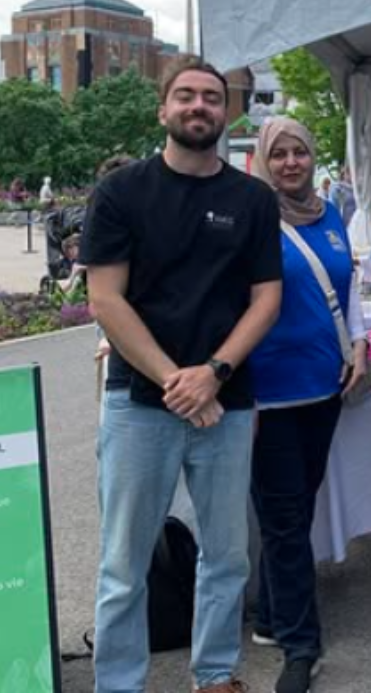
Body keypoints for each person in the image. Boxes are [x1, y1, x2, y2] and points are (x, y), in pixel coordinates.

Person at [81, 57, 283, 693]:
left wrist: (215, 373)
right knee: (124, 562)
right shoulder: (120, 194)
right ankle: (119, 682)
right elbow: (106, 300)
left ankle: (216, 673)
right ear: (163, 109)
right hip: (141, 404)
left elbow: (266, 298)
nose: (200, 107)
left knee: (225, 557)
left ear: (226, 113)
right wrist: (179, 380)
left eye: (212, 98)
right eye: (187, 96)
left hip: (227, 402)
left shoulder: (252, 199)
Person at [248, 118, 370, 693]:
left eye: (299, 152)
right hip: (265, 394)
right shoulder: (250, 218)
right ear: (264, 162)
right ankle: (302, 644)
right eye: (280, 154)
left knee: (296, 506)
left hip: (323, 387)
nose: (291, 163)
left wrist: (360, 348)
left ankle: (271, 613)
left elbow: (345, 290)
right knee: (284, 517)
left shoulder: (330, 217)